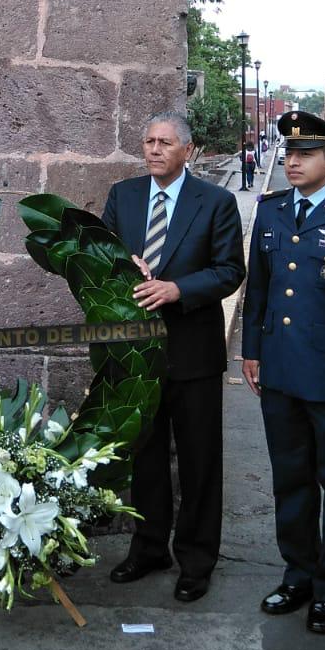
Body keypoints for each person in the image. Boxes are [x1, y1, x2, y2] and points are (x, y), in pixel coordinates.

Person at [103, 112, 246, 602]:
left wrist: (177, 289)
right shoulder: (123, 196)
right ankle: (148, 548)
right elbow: (99, 257)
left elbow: (230, 270)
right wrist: (123, 265)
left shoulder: (216, 202)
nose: (154, 149)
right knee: (145, 457)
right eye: (148, 141)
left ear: (188, 150)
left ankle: (196, 560)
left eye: (165, 142)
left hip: (193, 352)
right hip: (137, 353)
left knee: (198, 460)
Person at [242, 112, 325, 634]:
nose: (292, 162)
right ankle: (298, 575)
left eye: (306, 154)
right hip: (280, 369)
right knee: (290, 480)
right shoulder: (272, 211)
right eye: (290, 153)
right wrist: (252, 351)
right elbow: (259, 289)